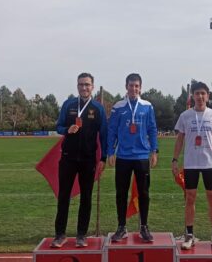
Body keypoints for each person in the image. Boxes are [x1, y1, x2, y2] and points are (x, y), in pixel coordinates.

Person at [51, 72, 108, 248]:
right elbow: (58, 127)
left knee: (86, 198)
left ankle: (81, 235)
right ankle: (60, 234)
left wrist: (103, 158)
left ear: (92, 87)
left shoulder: (98, 109)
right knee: (63, 197)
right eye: (81, 84)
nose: (84, 87)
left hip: (88, 160)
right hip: (68, 158)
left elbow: (104, 135)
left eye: (87, 84)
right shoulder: (68, 105)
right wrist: (67, 129)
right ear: (77, 86)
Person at [171, 81, 212, 250]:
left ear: (208, 96)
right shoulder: (185, 116)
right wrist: (174, 160)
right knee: (190, 197)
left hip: (209, 162)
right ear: (193, 96)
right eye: (197, 93)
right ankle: (189, 234)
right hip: (191, 163)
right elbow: (180, 139)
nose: (200, 96)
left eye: (203, 93)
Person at [107, 73, 158, 243]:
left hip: (142, 156)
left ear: (140, 87)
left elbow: (152, 129)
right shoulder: (118, 106)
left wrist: (154, 150)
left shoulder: (147, 106)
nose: (133, 89)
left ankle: (144, 227)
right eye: (131, 85)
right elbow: (112, 130)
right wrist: (110, 152)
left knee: (144, 193)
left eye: (136, 86)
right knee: (121, 193)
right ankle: (122, 227)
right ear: (126, 86)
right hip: (123, 156)